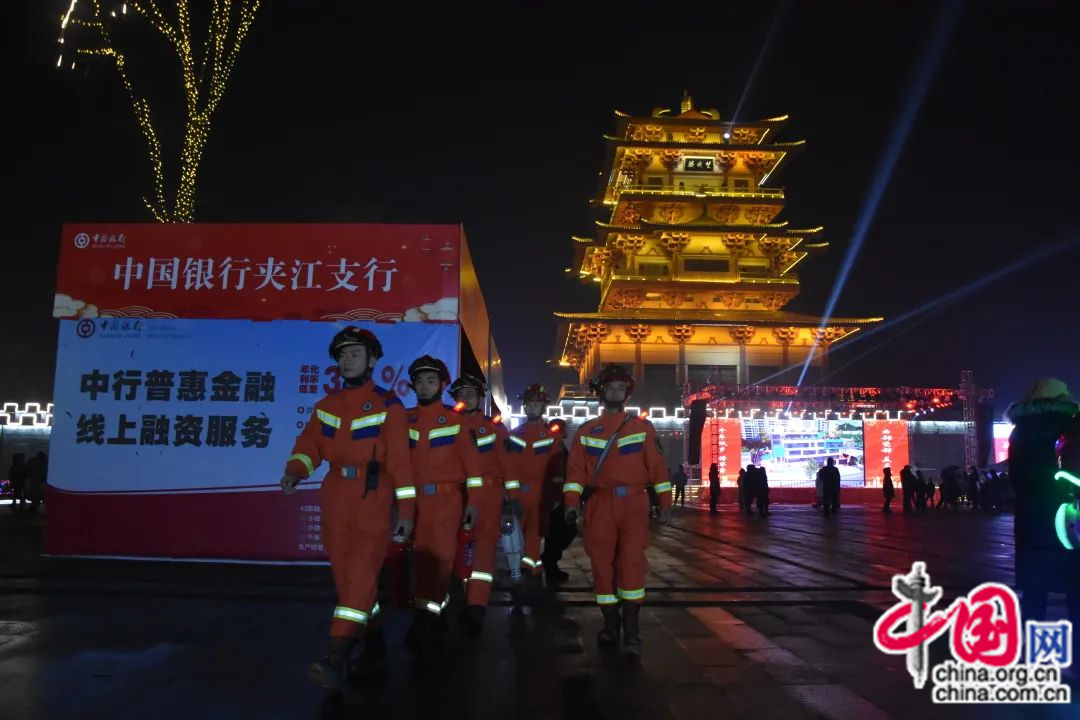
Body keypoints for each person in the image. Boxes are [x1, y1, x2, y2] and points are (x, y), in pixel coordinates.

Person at [279, 327, 415, 689]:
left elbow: (400, 463)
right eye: (342, 355)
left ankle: (335, 655)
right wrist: (295, 471)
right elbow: (308, 447)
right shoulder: (327, 406)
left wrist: (406, 512)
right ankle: (375, 642)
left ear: (372, 360)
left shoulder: (389, 405)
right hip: (336, 494)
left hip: (373, 496)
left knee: (360, 574)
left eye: (355, 353)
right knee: (347, 580)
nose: (347, 360)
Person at [564, 364, 671, 651]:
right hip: (600, 503)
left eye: (620, 388)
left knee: (631, 561)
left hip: (634, 503)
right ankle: (611, 624)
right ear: (601, 393)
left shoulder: (642, 428)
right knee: (601, 564)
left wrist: (665, 504)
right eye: (610, 388)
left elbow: (658, 469)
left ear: (627, 393)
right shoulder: (586, 431)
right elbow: (575, 474)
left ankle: (632, 627)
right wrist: (571, 503)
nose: (615, 392)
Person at [404, 355, 485, 653]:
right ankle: (431, 614)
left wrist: (473, 503)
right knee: (418, 562)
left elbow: (474, 469)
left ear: (441, 385)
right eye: (419, 381)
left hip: (445, 501)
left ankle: (427, 619)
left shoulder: (456, 421)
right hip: (412, 501)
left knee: (438, 560)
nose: (424, 386)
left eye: (431, 381)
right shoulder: (404, 419)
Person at [1006, 378, 1080, 633]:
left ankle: (1032, 648)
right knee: (1075, 588)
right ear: (1061, 399)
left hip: (1031, 518)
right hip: (1067, 518)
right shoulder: (1072, 426)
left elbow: (1015, 477)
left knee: (1034, 591)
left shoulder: (1019, 432)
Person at [449, 373, 511, 633]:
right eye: (460, 394)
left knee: (483, 551)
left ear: (480, 398)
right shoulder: (446, 424)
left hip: (488, 493)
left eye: (470, 394)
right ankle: (454, 597)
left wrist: (511, 497)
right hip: (453, 493)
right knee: (450, 547)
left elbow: (508, 463)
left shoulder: (493, 428)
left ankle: (476, 605)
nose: (465, 398)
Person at [506, 383, 566, 591]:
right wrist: (511, 495)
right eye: (529, 405)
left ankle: (529, 570)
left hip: (541, 495)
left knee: (534, 533)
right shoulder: (514, 434)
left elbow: (557, 469)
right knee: (515, 535)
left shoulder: (552, 436)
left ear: (543, 407)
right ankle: (526, 568)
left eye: (536, 405)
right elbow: (509, 467)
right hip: (519, 494)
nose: (531, 408)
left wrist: (556, 496)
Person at [540, 418, 576, 584]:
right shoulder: (555, 446)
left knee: (557, 533)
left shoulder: (558, 445)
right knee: (562, 531)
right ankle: (549, 562)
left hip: (560, 495)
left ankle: (550, 563)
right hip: (555, 497)